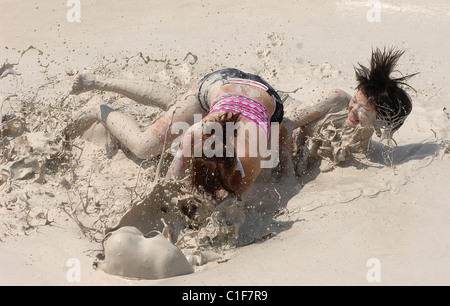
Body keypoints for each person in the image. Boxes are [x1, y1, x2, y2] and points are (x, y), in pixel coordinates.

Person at [66, 68, 287, 201]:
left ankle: (180, 107)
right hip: (220, 83)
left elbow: (235, 200)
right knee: (144, 147)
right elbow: (168, 180)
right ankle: (99, 97)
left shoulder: (250, 162)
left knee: (178, 107)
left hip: (266, 96)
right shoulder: (195, 135)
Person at [282, 47, 417, 173]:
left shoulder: (366, 131)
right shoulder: (335, 98)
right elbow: (286, 124)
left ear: (379, 119)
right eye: (355, 100)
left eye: (363, 111)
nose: (353, 110)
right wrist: (287, 176)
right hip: (276, 107)